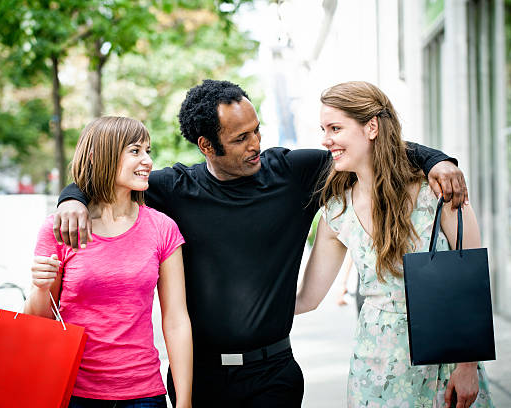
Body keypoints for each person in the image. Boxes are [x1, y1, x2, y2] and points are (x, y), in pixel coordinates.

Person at [55, 80, 468, 407]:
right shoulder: (173, 188)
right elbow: (108, 179)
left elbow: (369, 150)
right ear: (206, 146)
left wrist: (437, 160)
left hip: (274, 375)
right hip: (200, 378)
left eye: (256, 131)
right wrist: (71, 197)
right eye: (240, 139)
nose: (255, 144)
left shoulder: (294, 173)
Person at [295, 81, 494, 407]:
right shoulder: (336, 211)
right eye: (323, 128)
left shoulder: (438, 191)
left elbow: (471, 281)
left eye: (335, 128)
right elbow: (308, 298)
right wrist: (240, 314)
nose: (325, 139)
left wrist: (468, 366)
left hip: (441, 360)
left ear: (371, 127)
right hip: (374, 366)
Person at [24, 117, 193, 408]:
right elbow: (39, 320)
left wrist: (185, 401)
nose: (148, 161)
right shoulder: (62, 227)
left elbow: (176, 320)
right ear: (100, 155)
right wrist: (40, 287)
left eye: (148, 151)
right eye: (135, 151)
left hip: (143, 394)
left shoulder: (162, 228)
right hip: (73, 392)